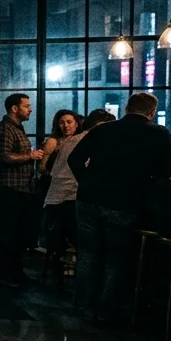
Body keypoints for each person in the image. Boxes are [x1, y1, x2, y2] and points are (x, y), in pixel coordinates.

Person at [68, 93, 171, 324]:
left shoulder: (102, 130)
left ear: (126, 108)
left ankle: (82, 307)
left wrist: (87, 183)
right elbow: (165, 172)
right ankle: (104, 311)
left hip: (89, 199)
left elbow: (74, 159)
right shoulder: (159, 134)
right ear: (151, 113)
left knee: (87, 254)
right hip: (125, 203)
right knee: (114, 259)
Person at [42, 109, 117, 283]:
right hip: (69, 200)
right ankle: (89, 284)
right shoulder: (90, 141)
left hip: (55, 201)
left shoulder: (71, 141)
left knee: (80, 243)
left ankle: (72, 282)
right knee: (90, 243)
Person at [0, 93, 44, 288]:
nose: (30, 109)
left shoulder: (16, 129)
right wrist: (30, 156)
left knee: (16, 236)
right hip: (8, 190)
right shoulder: (5, 129)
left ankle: (14, 273)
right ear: (14, 108)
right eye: (26, 106)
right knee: (6, 235)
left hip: (19, 190)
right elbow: (4, 156)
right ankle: (3, 276)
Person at [40, 110, 80, 175]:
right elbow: (41, 167)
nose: (66, 125)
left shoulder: (80, 139)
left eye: (69, 122)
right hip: (55, 180)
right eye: (61, 123)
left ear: (76, 124)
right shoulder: (53, 141)